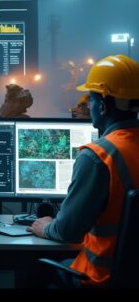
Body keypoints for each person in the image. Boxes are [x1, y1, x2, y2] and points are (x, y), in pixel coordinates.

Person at [28, 54, 139, 287]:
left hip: (101, 278)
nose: (88, 106)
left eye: (91, 100)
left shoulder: (98, 156)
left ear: (103, 105)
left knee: (34, 270)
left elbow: (68, 232)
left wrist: (44, 225)